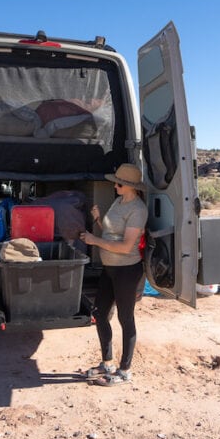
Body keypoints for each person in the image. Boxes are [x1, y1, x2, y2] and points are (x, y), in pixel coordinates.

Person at [79, 163, 148, 386]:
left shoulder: (138, 210)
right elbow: (110, 232)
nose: (115, 185)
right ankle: (107, 363)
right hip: (109, 269)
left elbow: (126, 246)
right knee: (100, 313)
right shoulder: (119, 201)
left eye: (118, 182)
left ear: (129, 186)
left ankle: (125, 371)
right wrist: (99, 220)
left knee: (125, 319)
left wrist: (94, 240)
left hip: (127, 270)